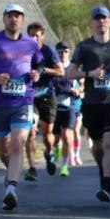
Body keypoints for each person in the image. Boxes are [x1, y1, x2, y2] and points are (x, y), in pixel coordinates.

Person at [65, 6, 110, 203]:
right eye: (97, 19)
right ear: (92, 23)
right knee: (97, 145)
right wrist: (90, 74)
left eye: (104, 18)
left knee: (108, 141)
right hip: (91, 103)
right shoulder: (84, 47)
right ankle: (102, 169)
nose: (101, 22)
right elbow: (69, 73)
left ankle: (106, 184)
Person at [0, 4, 42, 210]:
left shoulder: (31, 43)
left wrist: (37, 74)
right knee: (3, 150)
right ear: (4, 19)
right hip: (0, 104)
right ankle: (10, 173)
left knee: (17, 144)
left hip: (23, 102)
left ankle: (11, 188)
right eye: (10, 16)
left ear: (22, 20)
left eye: (18, 16)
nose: (14, 19)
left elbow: (38, 64)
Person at [24, 23, 65, 180]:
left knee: (47, 134)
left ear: (42, 36)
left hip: (47, 95)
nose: (34, 38)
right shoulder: (24, 50)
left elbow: (61, 71)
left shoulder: (48, 51)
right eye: (31, 35)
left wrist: (45, 70)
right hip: (29, 97)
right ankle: (32, 168)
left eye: (37, 35)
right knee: (31, 132)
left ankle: (48, 153)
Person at [52, 41, 82, 176]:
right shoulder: (53, 67)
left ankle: (64, 166)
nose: (63, 53)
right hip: (54, 107)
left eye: (66, 51)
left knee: (67, 136)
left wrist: (78, 90)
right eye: (60, 51)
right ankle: (56, 151)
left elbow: (83, 84)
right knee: (55, 138)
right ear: (56, 52)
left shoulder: (73, 68)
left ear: (69, 52)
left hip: (70, 105)